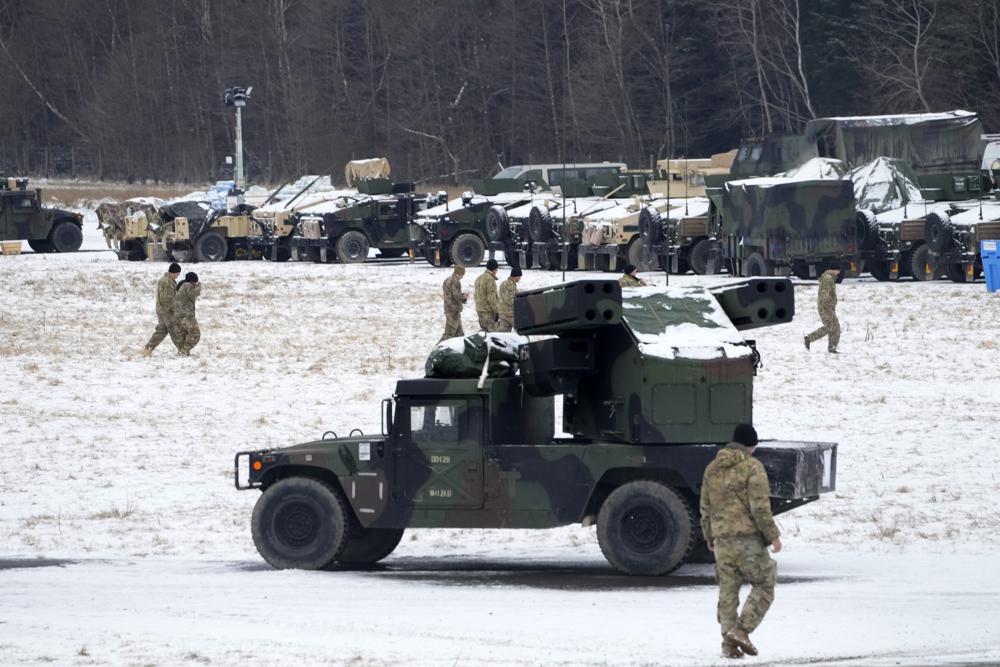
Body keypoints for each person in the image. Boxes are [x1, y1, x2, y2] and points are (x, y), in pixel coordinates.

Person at [699, 423, 782, 659]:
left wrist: (709, 535)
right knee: (765, 583)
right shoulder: (752, 467)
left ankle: (729, 645)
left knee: (728, 591)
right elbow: (759, 507)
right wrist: (773, 536)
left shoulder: (711, 469)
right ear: (751, 446)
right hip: (747, 540)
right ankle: (741, 630)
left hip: (722, 541)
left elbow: (705, 507)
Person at [141, 262, 181, 357]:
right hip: (167, 311)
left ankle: (148, 347)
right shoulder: (167, 282)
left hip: (161, 310)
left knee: (162, 330)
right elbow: (168, 299)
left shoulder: (166, 280)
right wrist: (174, 310)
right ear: (174, 272)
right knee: (174, 330)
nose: (178, 275)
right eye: (178, 273)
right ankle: (183, 349)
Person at [804, 266, 842, 353]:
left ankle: (832, 348)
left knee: (835, 327)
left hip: (828, 307)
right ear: (833, 269)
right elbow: (825, 295)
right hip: (826, 307)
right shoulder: (828, 278)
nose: (838, 273)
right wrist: (828, 307)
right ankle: (809, 338)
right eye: (838, 270)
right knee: (829, 327)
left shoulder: (830, 278)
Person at [173, 272, 202, 356]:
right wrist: (199, 286)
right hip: (186, 316)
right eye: (195, 282)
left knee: (183, 336)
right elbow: (194, 293)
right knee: (195, 334)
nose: (196, 283)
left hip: (178, 316)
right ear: (192, 281)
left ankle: (183, 353)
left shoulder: (180, 286)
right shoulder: (187, 286)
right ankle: (184, 351)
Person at [440, 265, 467, 342]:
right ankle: (438, 350)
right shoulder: (455, 281)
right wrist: (463, 297)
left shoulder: (447, 280)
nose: (462, 277)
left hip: (449, 309)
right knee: (449, 335)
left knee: (460, 335)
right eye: (462, 275)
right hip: (453, 311)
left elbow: (450, 294)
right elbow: (456, 296)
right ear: (458, 273)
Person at [474, 259, 500, 332]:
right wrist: (497, 311)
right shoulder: (490, 280)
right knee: (493, 335)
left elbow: (475, 295)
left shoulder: (478, 279)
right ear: (495, 269)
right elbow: (491, 298)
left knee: (484, 333)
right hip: (488, 312)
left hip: (479, 310)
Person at [496, 267, 522, 332]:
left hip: (502, 312)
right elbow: (510, 300)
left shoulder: (503, 283)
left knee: (504, 334)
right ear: (516, 276)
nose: (520, 278)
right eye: (519, 276)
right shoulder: (511, 286)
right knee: (521, 331)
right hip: (510, 314)